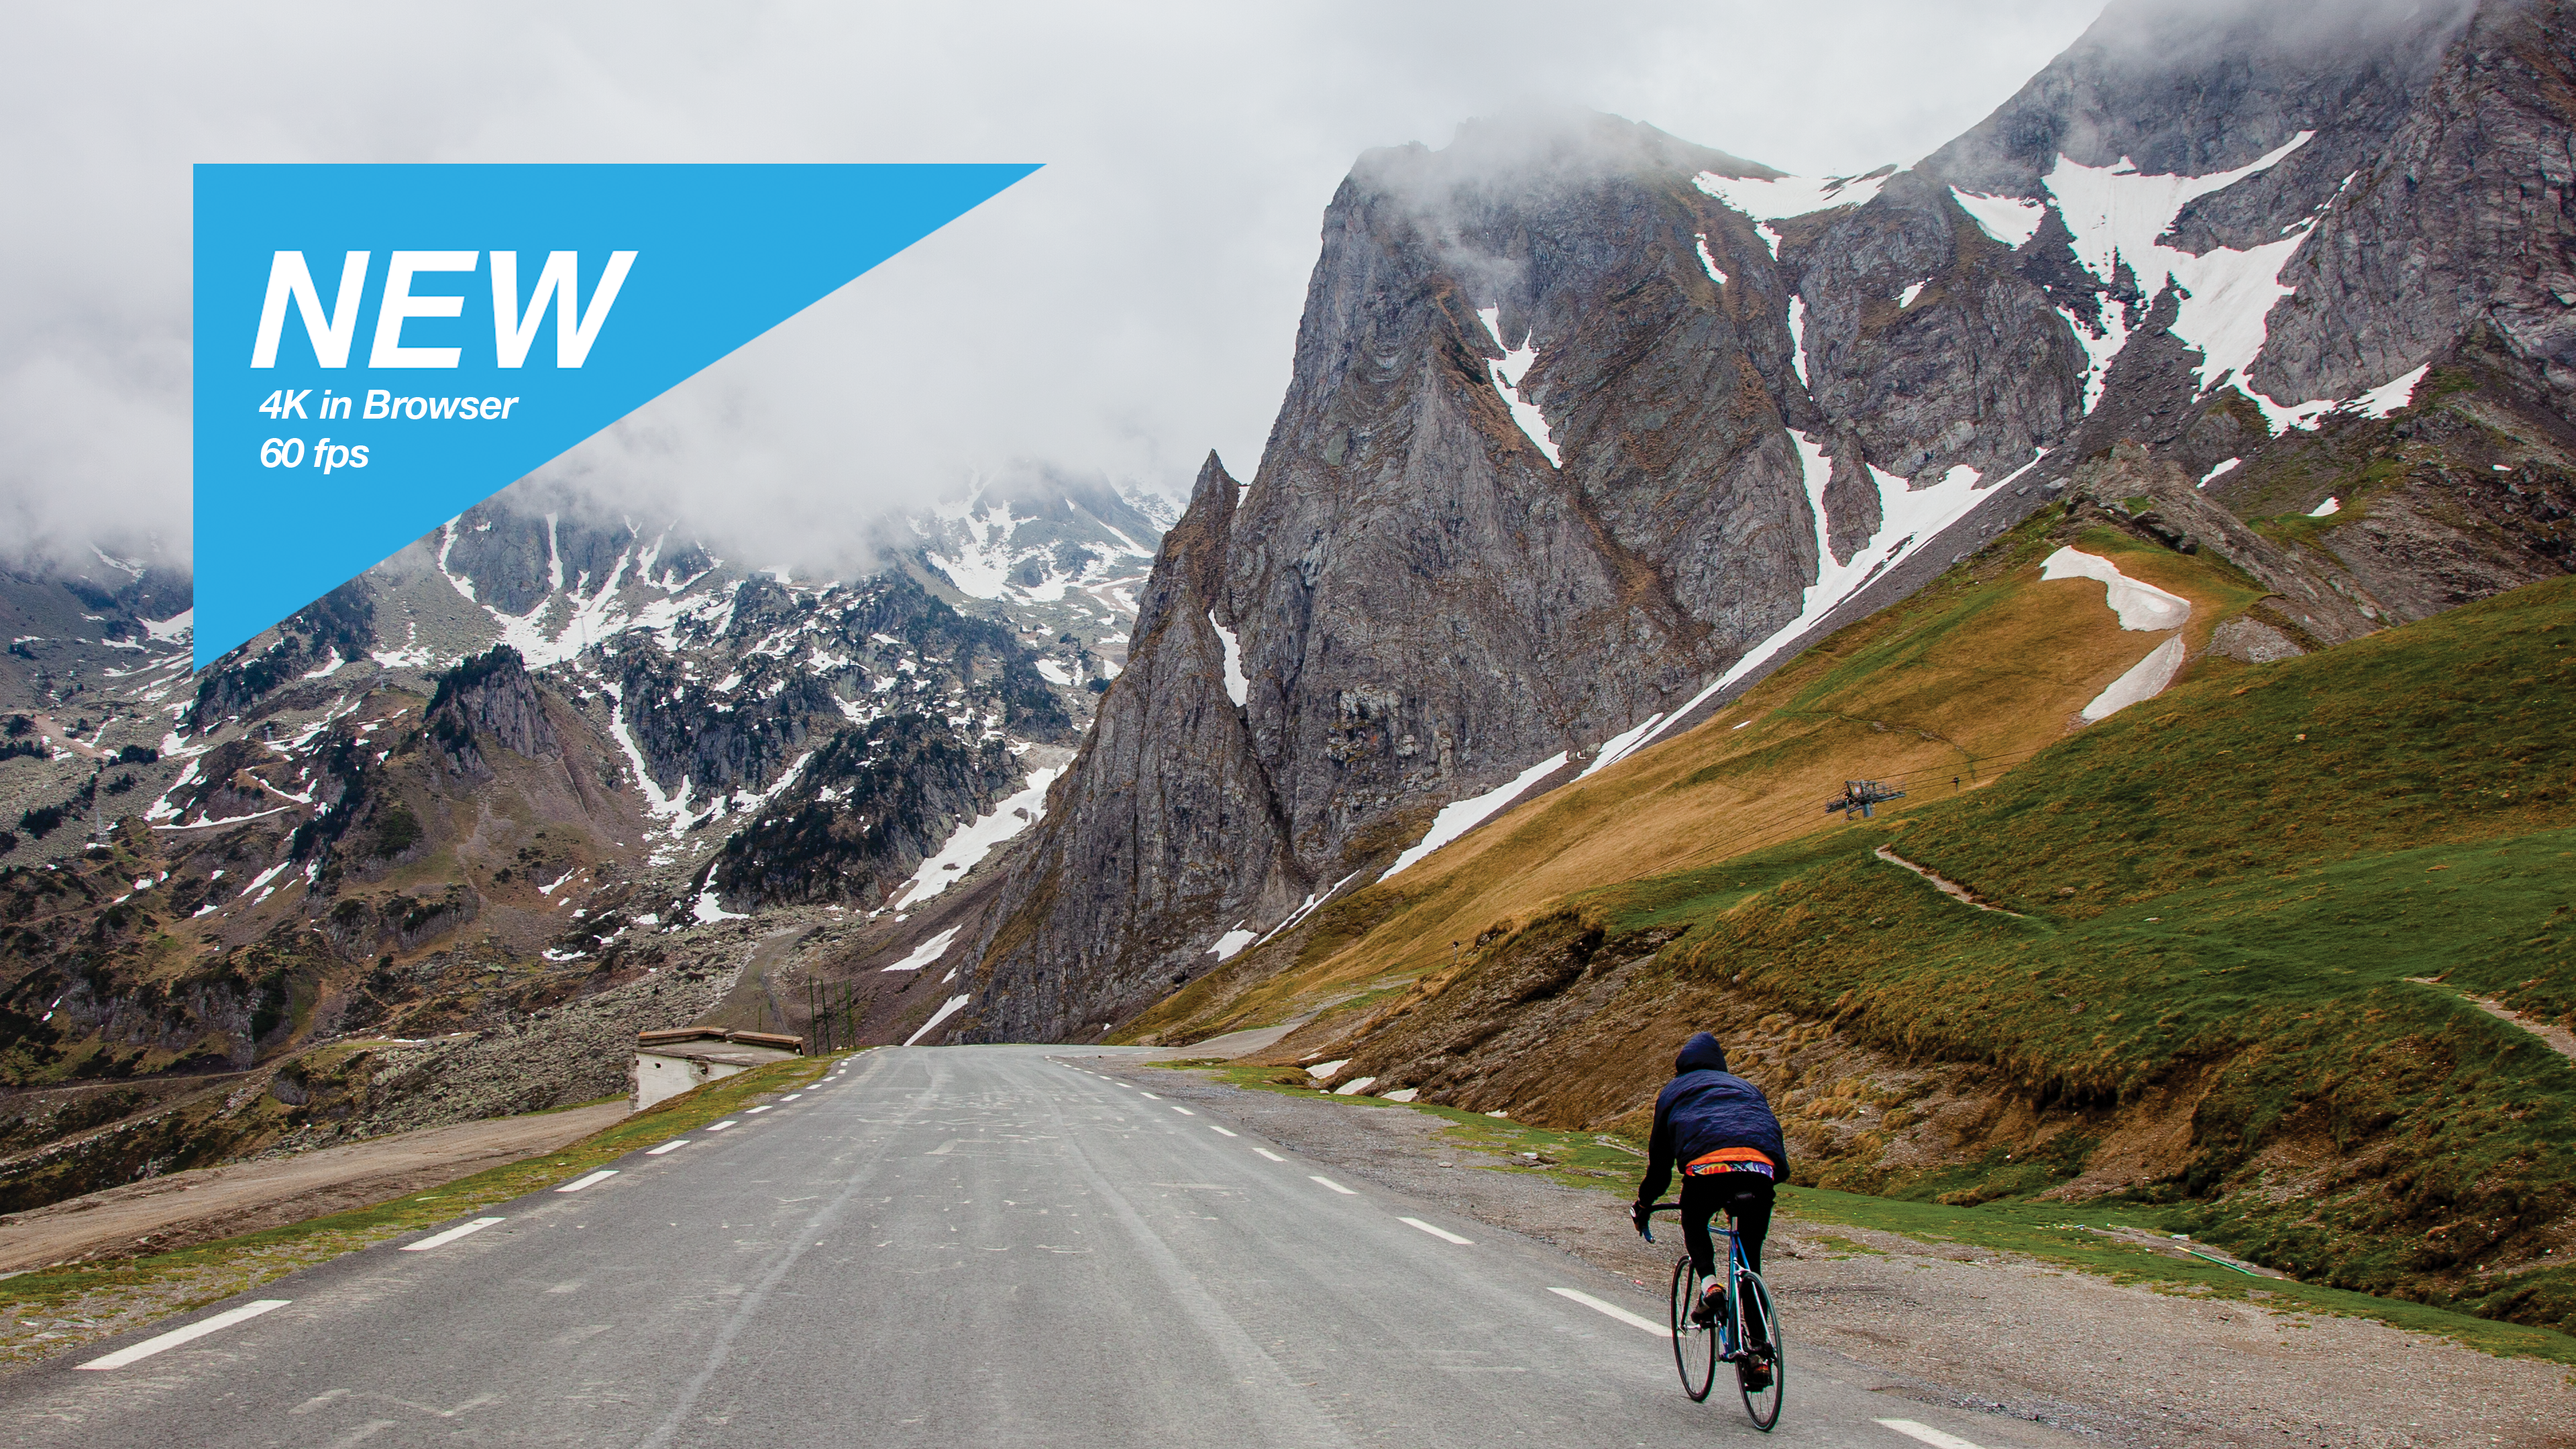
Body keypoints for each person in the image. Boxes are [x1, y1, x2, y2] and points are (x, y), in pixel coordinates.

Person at [1631, 1032, 1788, 1338]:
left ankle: (1711, 1286)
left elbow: (1660, 1167)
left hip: (1708, 1169)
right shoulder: (1747, 1088)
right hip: (1760, 1169)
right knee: (1749, 1260)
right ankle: (1759, 1353)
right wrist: (1770, 1177)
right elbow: (1771, 1135)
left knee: (1693, 1219)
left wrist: (1645, 1203)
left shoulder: (1674, 1091)